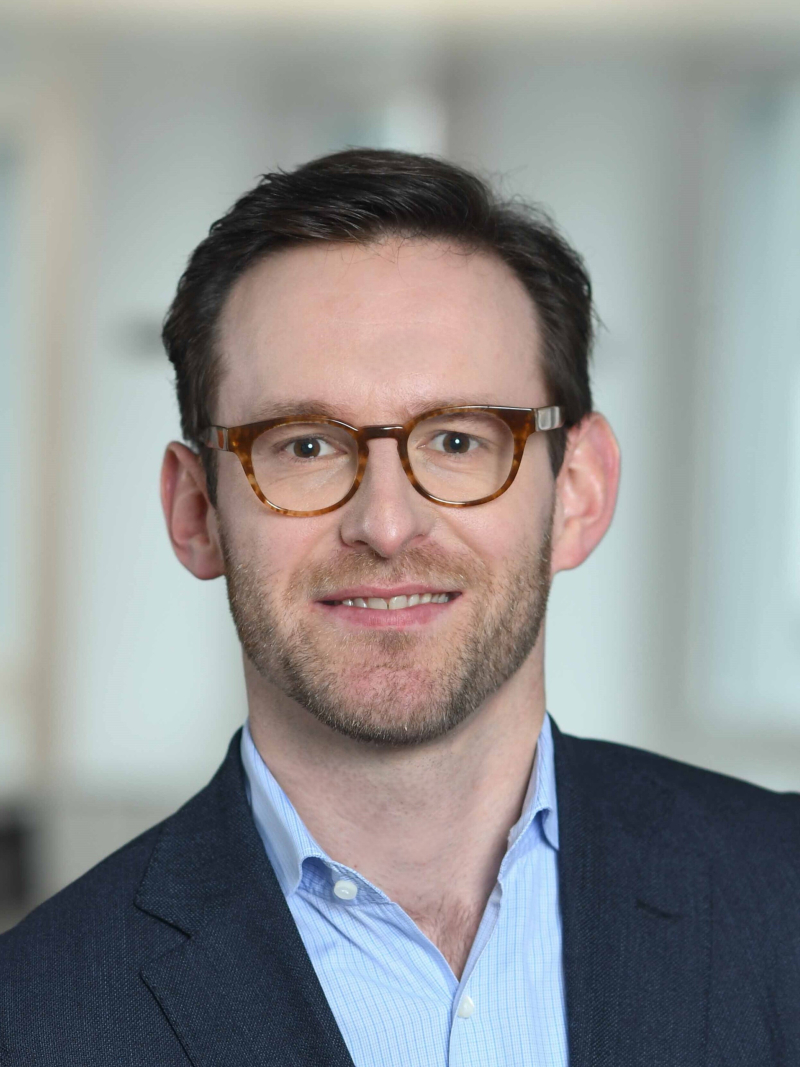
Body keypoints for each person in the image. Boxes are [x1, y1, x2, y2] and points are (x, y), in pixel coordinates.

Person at [1, 149, 798, 1067]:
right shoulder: (34, 1019)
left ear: (578, 492)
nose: (385, 524)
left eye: (458, 440)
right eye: (305, 445)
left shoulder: (782, 895)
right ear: (195, 513)